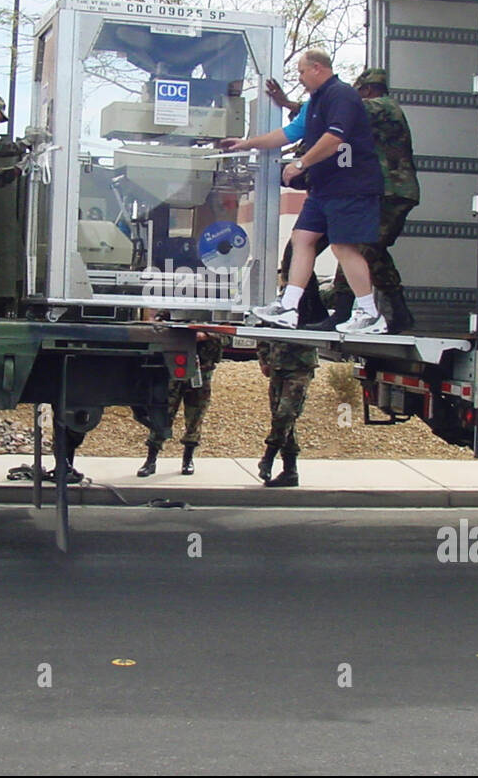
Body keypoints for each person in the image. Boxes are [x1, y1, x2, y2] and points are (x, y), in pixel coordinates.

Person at [221, 49, 386, 334]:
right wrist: (246, 144)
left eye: (301, 71)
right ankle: (289, 307)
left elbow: (335, 139)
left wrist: (301, 163)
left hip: (350, 185)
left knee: (343, 246)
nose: (299, 78)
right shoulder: (315, 102)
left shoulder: (342, 95)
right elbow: (288, 133)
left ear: (318, 68)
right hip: (324, 189)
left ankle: (370, 314)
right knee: (302, 238)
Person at [263, 71, 419, 333]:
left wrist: (293, 106)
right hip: (374, 192)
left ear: (367, 91)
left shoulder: (384, 107)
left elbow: (337, 113)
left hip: (391, 192)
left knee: (356, 248)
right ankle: (312, 311)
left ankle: (346, 312)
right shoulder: (368, 113)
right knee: (362, 250)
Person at [133, 329, 227, 476]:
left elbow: (227, 335)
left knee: (195, 416)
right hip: (174, 368)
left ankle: (188, 459)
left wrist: (207, 335)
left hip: (201, 371)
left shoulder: (216, 313)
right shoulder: (176, 309)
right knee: (163, 414)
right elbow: (158, 326)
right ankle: (151, 460)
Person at [256, 335, 318, 487]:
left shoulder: (306, 311)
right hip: (277, 366)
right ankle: (290, 471)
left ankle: (268, 456)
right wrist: (264, 360)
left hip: (300, 366)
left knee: (286, 414)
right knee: (281, 419)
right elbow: (264, 330)